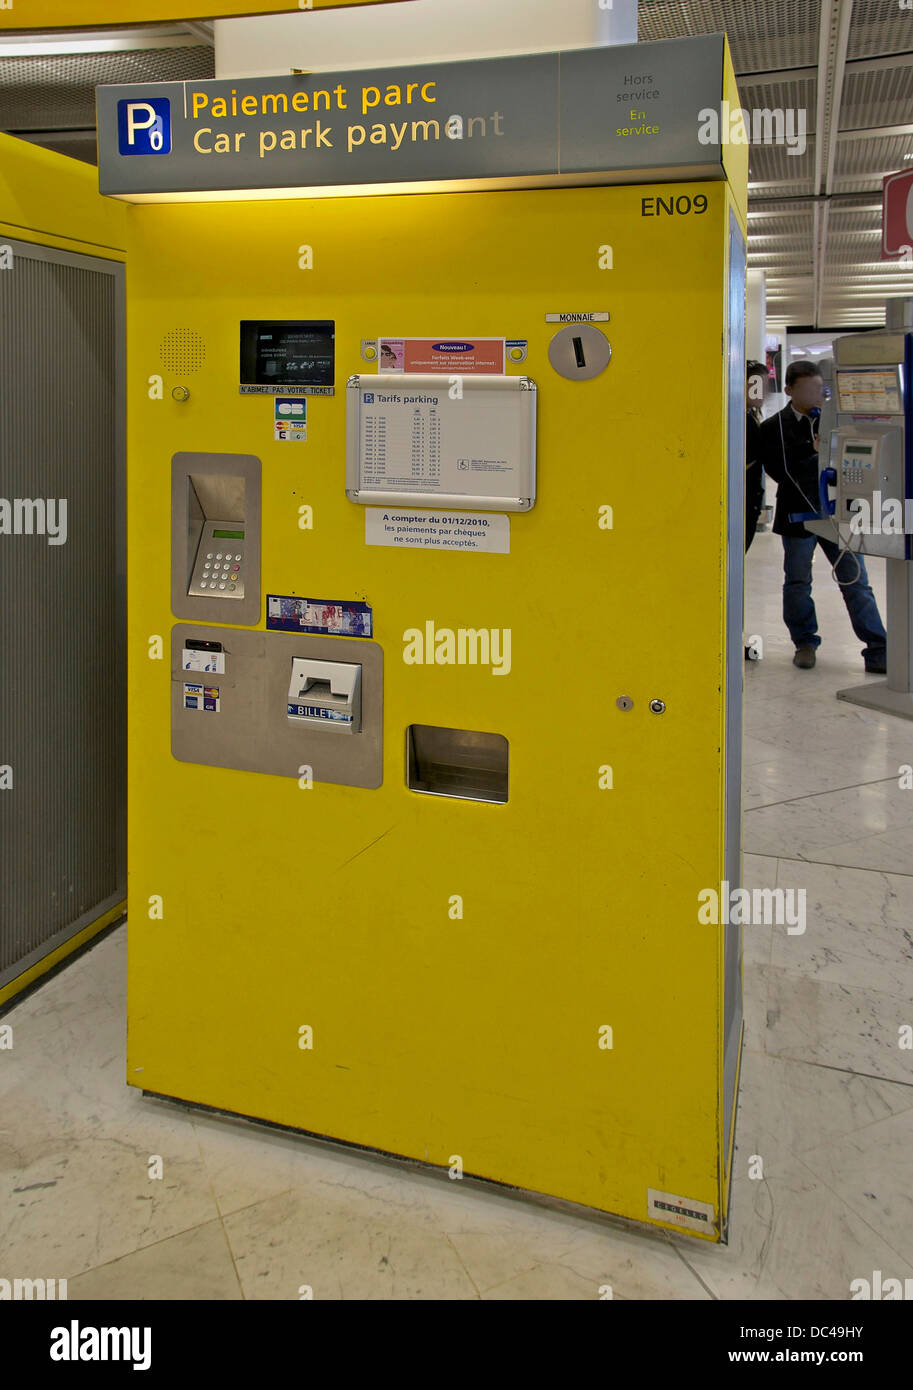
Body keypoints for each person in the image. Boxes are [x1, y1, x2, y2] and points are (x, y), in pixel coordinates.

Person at [759, 359, 887, 673]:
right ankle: (804, 642)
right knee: (799, 581)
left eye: (821, 389)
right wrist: (816, 454)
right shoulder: (773, 427)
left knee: (857, 581)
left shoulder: (837, 422)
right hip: (798, 515)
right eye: (809, 389)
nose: (817, 395)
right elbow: (783, 470)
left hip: (837, 515)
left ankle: (879, 649)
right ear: (790, 390)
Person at [745, 360, 767, 550]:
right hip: (741, 504)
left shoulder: (749, 419)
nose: (761, 392)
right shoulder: (744, 422)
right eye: (756, 385)